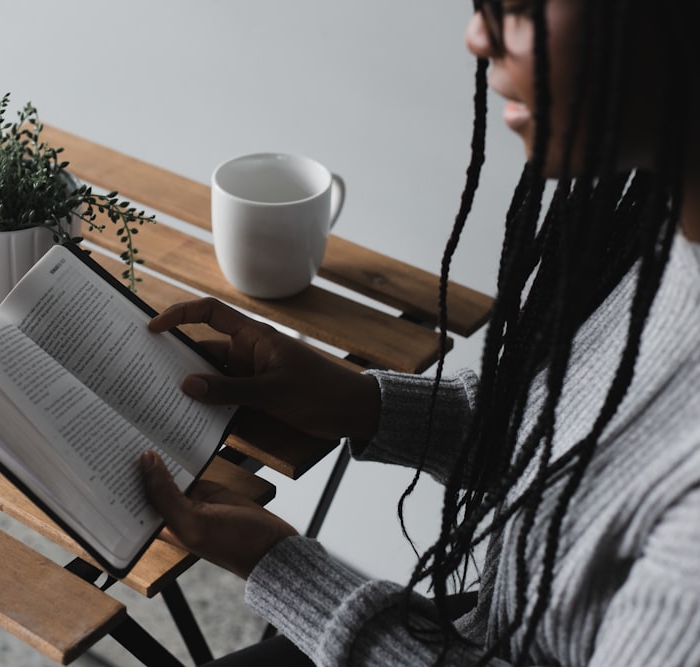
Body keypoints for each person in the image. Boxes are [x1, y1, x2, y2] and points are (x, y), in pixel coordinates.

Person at [140, 0, 700, 664]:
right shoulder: (667, 239)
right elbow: (573, 451)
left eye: (519, 7)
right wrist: (358, 402)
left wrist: (278, 563)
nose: (477, 38)